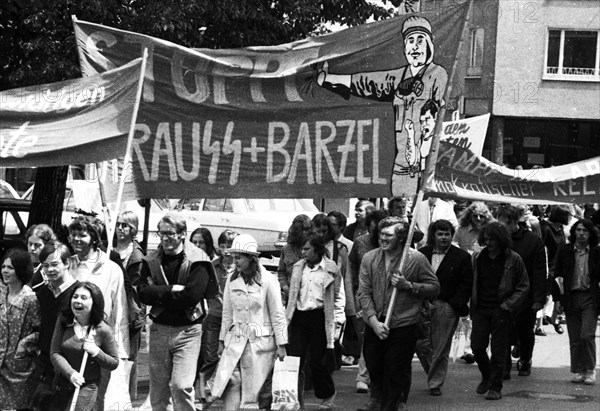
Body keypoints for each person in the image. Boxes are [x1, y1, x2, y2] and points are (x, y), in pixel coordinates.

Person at [317, 16, 448, 194]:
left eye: (420, 40)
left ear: (430, 44)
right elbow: (364, 82)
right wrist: (328, 79)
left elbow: (434, 110)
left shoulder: (437, 74)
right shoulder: (398, 77)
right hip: (401, 168)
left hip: (426, 167)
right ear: (405, 47)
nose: (415, 46)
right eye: (410, 41)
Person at [134, 214, 218, 411]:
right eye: (161, 233)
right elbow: (143, 293)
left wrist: (158, 294)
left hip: (188, 331)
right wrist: (171, 290)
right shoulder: (151, 259)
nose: (165, 239)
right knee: (158, 390)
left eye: (170, 234)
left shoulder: (199, 259)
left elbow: (191, 297)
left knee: (181, 386)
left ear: (182, 234)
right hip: (159, 330)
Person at [358, 217, 440, 411]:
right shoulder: (369, 258)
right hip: (375, 322)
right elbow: (364, 292)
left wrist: (409, 286)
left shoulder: (416, 259)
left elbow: (434, 288)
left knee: (395, 371)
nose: (383, 239)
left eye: (388, 235)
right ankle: (378, 397)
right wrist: (373, 322)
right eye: (381, 234)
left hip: (404, 324)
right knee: (374, 366)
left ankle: (391, 405)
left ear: (401, 238)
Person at [208, 234, 287, 410]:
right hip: (235, 341)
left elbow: (277, 314)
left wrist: (281, 344)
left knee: (252, 394)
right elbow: (227, 313)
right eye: (233, 257)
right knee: (232, 380)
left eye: (239, 257)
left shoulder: (268, 280)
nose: (235, 261)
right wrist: (222, 340)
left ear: (251, 258)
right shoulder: (231, 279)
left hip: (260, 344)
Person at [67, 215, 130, 409]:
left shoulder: (111, 269)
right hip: (71, 338)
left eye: (82, 235)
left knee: (97, 396)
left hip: (99, 341)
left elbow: (120, 310)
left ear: (94, 238)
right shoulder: (67, 264)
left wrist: (120, 348)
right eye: (73, 234)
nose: (76, 239)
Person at [470, 222, 529, 400]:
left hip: (501, 309)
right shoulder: (478, 257)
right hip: (480, 308)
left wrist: (508, 305)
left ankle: (496, 386)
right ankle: (487, 375)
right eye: (486, 239)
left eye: (492, 239)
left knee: (499, 351)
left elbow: (523, 286)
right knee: (477, 347)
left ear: (501, 240)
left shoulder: (513, 259)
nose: (489, 243)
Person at [286, 233, 345, 410]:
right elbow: (294, 293)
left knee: (318, 362)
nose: (303, 252)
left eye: (307, 249)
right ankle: (296, 400)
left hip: (320, 317)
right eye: (302, 249)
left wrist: (338, 319)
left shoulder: (331, 268)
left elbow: (338, 296)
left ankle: (328, 394)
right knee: (295, 359)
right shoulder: (298, 267)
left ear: (317, 250)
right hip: (299, 316)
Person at [417, 219, 473, 396]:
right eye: (440, 234)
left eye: (447, 234)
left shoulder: (462, 257)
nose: (443, 237)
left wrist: (455, 304)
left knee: (441, 347)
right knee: (421, 344)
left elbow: (466, 284)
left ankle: (435, 383)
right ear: (433, 235)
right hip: (422, 305)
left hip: (446, 305)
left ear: (452, 235)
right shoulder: (421, 254)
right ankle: (433, 373)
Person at [49, 282, 119, 410]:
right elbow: (55, 353)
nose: (77, 301)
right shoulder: (64, 321)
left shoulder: (103, 330)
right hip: (62, 383)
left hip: (87, 387)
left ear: (94, 303)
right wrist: (71, 373)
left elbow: (114, 362)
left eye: (84, 298)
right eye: (75, 297)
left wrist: (96, 352)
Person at [497, 205, 547, 378]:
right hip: (502, 295)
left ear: (513, 223)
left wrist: (539, 298)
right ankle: (503, 365)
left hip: (526, 296)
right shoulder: (497, 240)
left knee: (525, 332)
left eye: (503, 225)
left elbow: (540, 271)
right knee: (501, 330)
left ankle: (525, 359)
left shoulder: (533, 241)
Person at [31, 241, 80, 410]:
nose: (49, 269)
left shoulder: (78, 294)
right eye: (45, 265)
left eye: (54, 264)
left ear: (67, 263)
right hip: (43, 362)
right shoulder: (43, 293)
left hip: (67, 364)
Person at [551, 218, 599, 385]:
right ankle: (579, 370)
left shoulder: (596, 252)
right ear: (573, 232)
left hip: (590, 298)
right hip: (570, 297)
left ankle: (591, 369)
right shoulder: (565, 251)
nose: (581, 234)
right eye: (578, 230)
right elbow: (557, 275)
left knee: (587, 335)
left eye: (585, 231)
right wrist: (557, 299)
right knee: (575, 337)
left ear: (590, 233)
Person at [349, 209, 388, 403]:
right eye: (373, 229)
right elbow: (352, 271)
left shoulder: (393, 242)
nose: (377, 235)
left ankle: (376, 378)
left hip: (387, 297)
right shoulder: (360, 243)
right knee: (366, 337)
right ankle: (363, 376)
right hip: (363, 295)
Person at [197, 229, 238, 402]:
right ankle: (204, 394)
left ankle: (229, 391)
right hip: (214, 315)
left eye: (230, 246)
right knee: (210, 355)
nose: (226, 250)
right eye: (222, 246)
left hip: (235, 319)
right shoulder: (213, 266)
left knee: (233, 356)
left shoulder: (240, 267)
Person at [452, 201, 494, 364]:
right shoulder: (461, 231)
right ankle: (468, 349)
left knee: (483, 314)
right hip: (466, 276)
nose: (478, 219)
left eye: (482, 216)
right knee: (467, 315)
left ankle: (480, 346)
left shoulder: (491, 231)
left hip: (485, 278)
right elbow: (454, 248)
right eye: (475, 216)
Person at [0, 249, 40, 410]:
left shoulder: (30, 299)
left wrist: (24, 344)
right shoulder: (1, 294)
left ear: (20, 270)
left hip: (18, 370)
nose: (5, 271)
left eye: (10, 267)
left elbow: (39, 331)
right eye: (3, 266)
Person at [114, 211, 146, 401]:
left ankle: (128, 397)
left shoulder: (137, 256)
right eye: (118, 224)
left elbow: (137, 288)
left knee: (130, 356)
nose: (120, 228)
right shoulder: (109, 248)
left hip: (131, 309)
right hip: (112, 306)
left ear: (133, 229)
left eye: (125, 225)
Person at [538, 205, 571, 334]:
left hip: (560, 267)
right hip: (549, 267)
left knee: (560, 296)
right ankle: (538, 325)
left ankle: (554, 319)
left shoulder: (561, 228)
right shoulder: (546, 229)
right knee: (546, 297)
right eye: (567, 215)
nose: (569, 218)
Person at [277, 214, 313, 306]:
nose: (307, 233)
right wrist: (285, 288)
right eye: (304, 230)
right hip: (291, 298)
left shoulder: (314, 248)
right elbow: (281, 272)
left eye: (308, 229)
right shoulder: (286, 249)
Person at [26, 224, 57, 289]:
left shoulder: (50, 268)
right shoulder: (22, 265)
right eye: (30, 244)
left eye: (37, 245)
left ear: (47, 246)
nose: (32, 248)